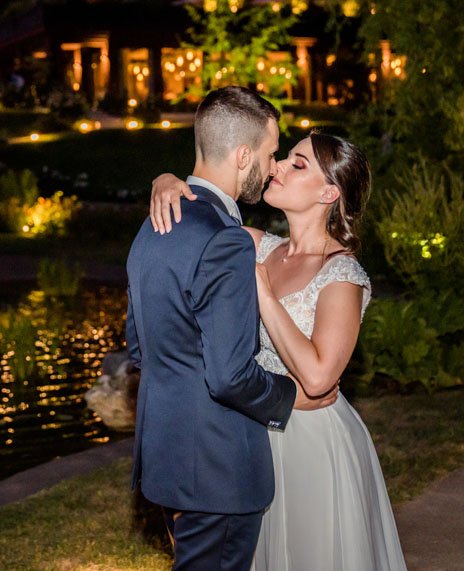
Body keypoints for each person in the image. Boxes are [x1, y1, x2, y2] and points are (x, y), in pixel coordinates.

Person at [150, 130, 407, 571]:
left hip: (311, 443)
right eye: (284, 157)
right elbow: (197, 220)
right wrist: (166, 180)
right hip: (248, 435)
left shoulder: (341, 274)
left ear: (329, 193)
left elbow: (320, 377)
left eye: (297, 164)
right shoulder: (256, 243)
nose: (278, 167)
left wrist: (265, 295)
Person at [126, 86, 338, 570]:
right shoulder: (225, 240)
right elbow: (228, 376)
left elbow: (139, 346)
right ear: (244, 155)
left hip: (168, 457)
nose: (272, 166)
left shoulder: (157, 223)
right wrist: (294, 397)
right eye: (269, 153)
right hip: (218, 467)